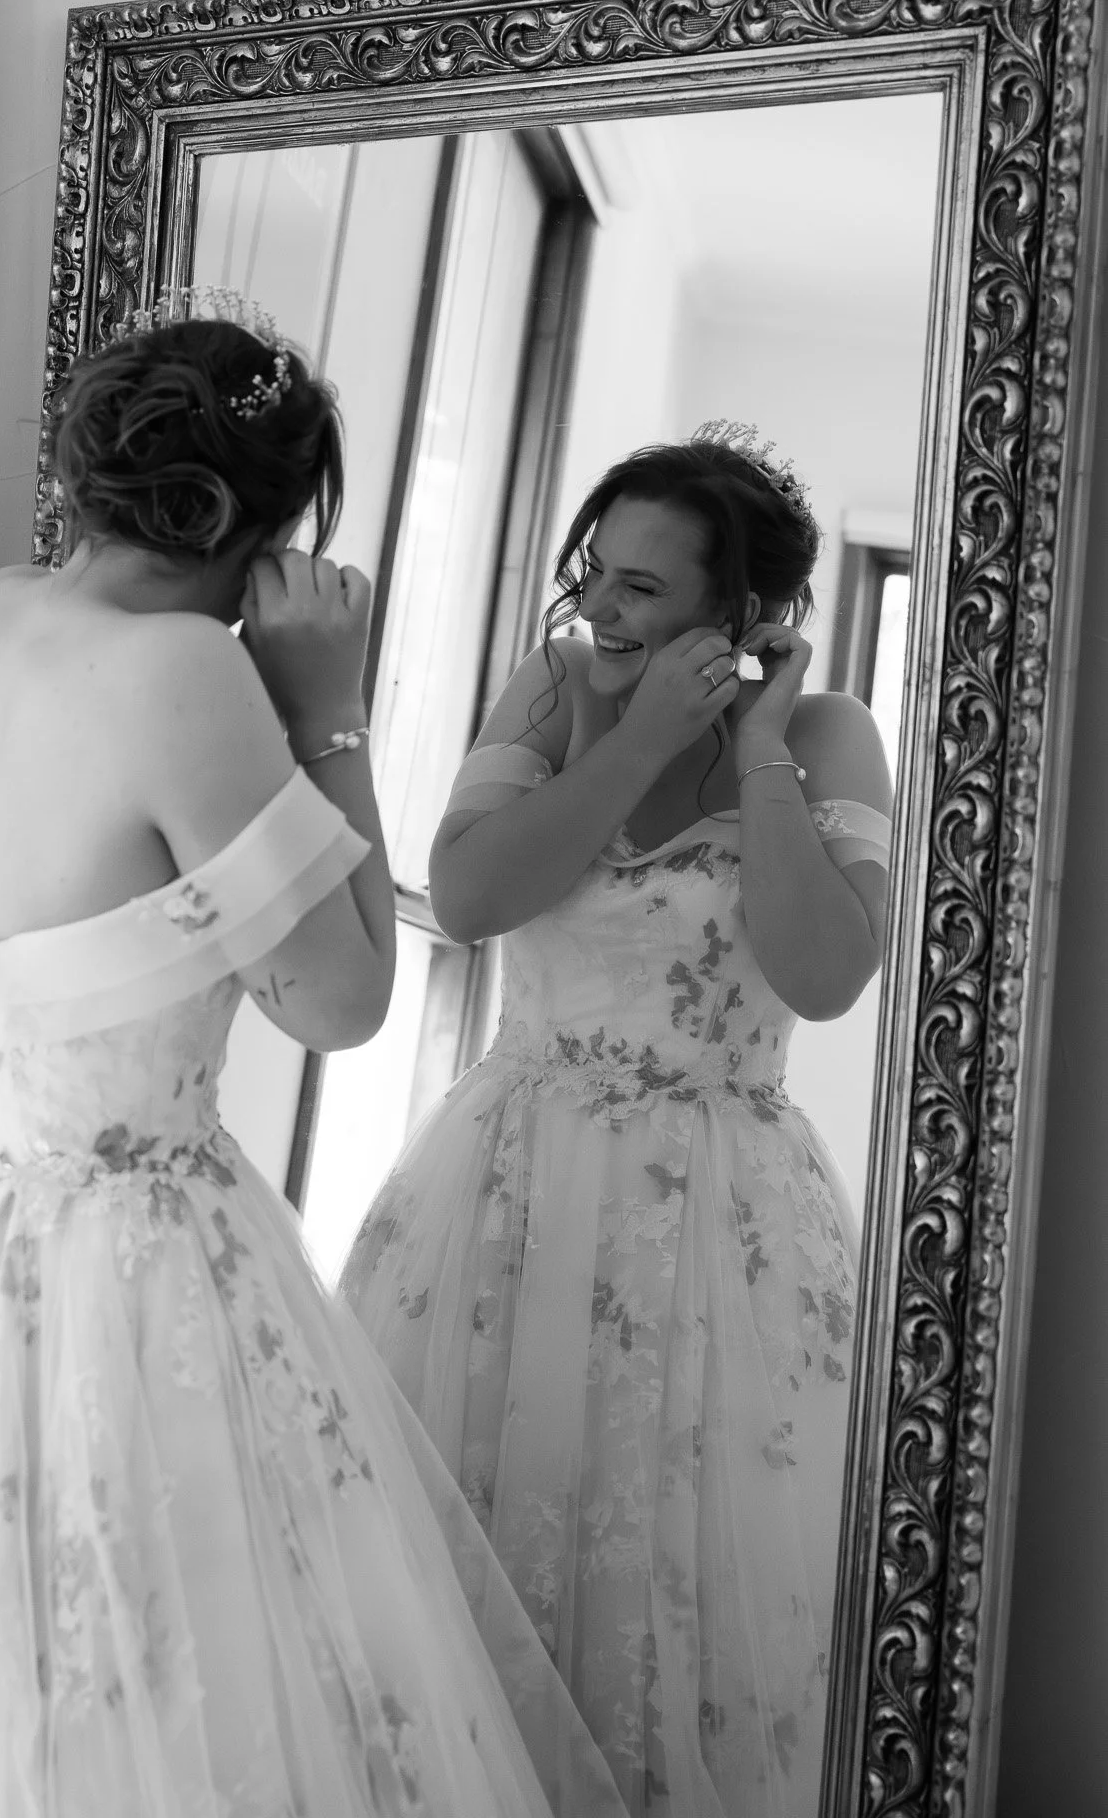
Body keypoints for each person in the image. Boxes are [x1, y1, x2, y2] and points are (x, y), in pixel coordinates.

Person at [0, 290, 625, 1818]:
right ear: (253, 532)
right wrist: (330, 712)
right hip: (113, 1283)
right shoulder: (183, 675)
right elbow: (343, 1001)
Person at [339, 429, 894, 1818]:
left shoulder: (830, 739)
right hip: (503, 1195)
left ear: (752, 615)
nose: (602, 608)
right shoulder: (550, 690)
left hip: (724, 1216)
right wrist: (632, 731)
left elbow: (824, 976)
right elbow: (467, 902)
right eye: (597, 572)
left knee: (690, 1604)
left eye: (647, 590)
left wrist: (756, 753)